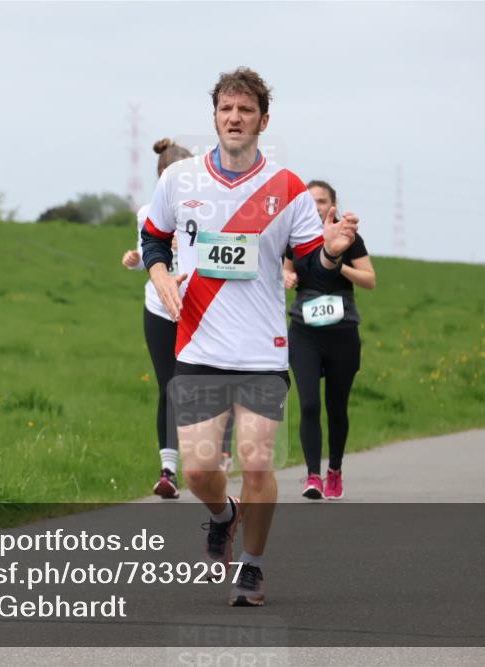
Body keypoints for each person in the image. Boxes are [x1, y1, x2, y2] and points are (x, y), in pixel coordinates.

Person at [141, 67, 358, 606]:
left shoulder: (287, 188)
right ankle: (224, 514)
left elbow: (311, 263)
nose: (234, 118)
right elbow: (153, 238)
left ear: (264, 118)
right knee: (197, 469)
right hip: (197, 345)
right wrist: (160, 274)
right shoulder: (179, 180)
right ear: (214, 116)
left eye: (245, 110)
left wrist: (330, 249)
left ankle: (253, 569)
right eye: (225, 110)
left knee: (257, 463)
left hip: (262, 350)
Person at [282, 180, 375, 500]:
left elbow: (370, 279)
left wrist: (337, 263)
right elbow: (285, 271)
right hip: (304, 331)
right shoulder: (294, 238)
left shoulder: (349, 238)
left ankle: (334, 469)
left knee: (337, 407)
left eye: (322, 201)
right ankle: (312, 476)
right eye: (310, 201)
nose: (317, 206)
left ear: (333, 204)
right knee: (308, 404)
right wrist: (288, 276)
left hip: (342, 331)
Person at [122, 139, 194, 499]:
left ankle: (215, 455)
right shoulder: (146, 212)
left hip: (198, 308)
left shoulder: (205, 209)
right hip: (159, 308)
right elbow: (151, 257)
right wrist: (138, 260)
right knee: (169, 386)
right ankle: (168, 471)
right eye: (166, 179)